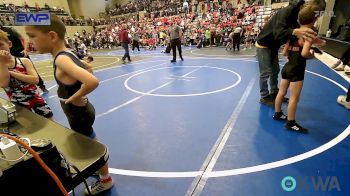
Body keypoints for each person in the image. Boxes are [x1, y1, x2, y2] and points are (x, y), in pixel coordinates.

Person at [24, 14, 113, 195]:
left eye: (32, 36)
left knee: (91, 144)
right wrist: (78, 92)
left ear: (52, 36)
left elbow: (92, 80)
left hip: (78, 112)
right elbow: (87, 68)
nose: (29, 41)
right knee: (89, 141)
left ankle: (106, 179)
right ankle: (100, 171)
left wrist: (75, 96)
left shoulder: (61, 59)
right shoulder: (67, 53)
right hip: (80, 110)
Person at [256, 0, 326, 107]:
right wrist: (295, 31)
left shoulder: (299, 15)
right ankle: (264, 96)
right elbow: (278, 33)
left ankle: (274, 93)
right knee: (265, 72)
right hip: (264, 44)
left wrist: (314, 39)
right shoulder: (287, 11)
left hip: (274, 45)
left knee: (275, 70)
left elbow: (300, 31)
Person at [273, 5, 325, 133]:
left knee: (281, 92)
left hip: (287, 68)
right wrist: (313, 55)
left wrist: (317, 43)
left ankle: (278, 113)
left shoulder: (294, 32)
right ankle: (290, 123)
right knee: (294, 98)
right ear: (314, 19)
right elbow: (304, 53)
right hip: (297, 70)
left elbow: (285, 52)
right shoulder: (309, 33)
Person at [0, 30, 53, 119]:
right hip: (18, 104)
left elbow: (35, 80)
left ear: (9, 44)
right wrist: (3, 64)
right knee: (29, 127)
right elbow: (4, 83)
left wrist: (11, 72)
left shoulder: (24, 61)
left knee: (50, 122)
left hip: (36, 99)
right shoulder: (0, 67)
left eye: (0, 45)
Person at [0, 25, 49, 94]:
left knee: (30, 70)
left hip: (19, 53)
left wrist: (25, 49)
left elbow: (23, 38)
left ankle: (42, 86)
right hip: (7, 56)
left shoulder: (9, 30)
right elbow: (3, 83)